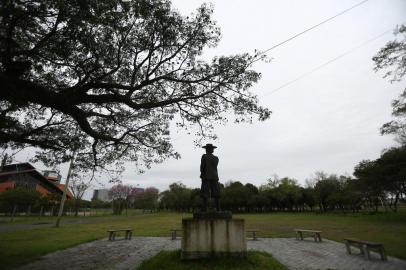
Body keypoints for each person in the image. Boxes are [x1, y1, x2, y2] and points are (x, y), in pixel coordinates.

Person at [200, 143, 220, 212]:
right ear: (212, 150)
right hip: (214, 177)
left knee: (205, 193)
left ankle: (204, 209)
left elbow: (202, 167)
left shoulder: (204, 157)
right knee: (216, 193)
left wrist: (202, 174)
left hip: (206, 176)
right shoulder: (216, 158)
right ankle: (218, 209)